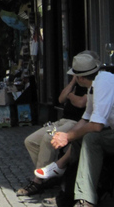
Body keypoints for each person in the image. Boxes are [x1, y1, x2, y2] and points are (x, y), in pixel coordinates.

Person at [40, 51, 114, 207]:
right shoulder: (95, 86)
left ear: (80, 78)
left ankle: (86, 200)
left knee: (91, 139)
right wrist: (68, 136)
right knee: (79, 140)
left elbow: (96, 126)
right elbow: (86, 118)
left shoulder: (103, 84)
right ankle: (68, 196)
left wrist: (67, 137)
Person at [16, 57, 90, 197]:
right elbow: (61, 99)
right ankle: (49, 174)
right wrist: (73, 82)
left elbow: (81, 103)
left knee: (48, 139)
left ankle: (38, 181)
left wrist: (71, 96)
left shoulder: (90, 84)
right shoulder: (76, 84)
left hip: (76, 122)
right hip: (62, 120)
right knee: (30, 141)